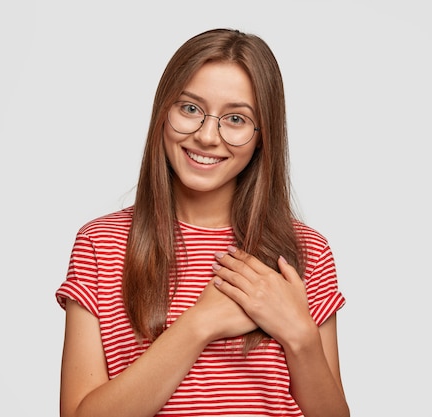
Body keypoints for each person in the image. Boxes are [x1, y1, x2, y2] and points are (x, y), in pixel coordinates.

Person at [55, 28, 349, 417]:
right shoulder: (102, 244)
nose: (208, 136)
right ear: (163, 111)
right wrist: (199, 324)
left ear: (263, 136)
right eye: (190, 108)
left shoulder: (305, 250)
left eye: (236, 118)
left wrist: (300, 335)